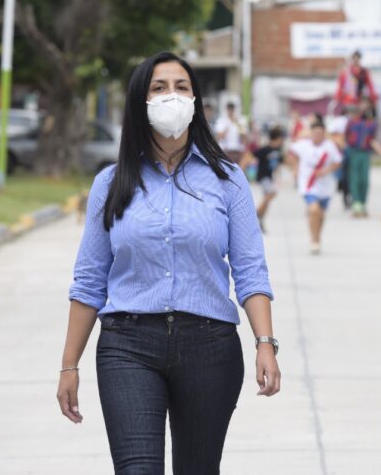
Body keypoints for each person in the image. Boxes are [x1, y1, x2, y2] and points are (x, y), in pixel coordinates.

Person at [57, 52, 281, 475]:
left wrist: (265, 343)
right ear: (140, 102)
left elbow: (251, 271)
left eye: (181, 87)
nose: (171, 96)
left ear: (195, 100)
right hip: (128, 344)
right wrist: (69, 365)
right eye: (159, 88)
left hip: (210, 346)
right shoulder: (110, 183)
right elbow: (88, 281)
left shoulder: (227, 179)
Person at [287, 115, 342, 255]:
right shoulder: (303, 145)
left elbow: (338, 161)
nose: (317, 135)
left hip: (325, 187)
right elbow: (290, 153)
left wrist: (326, 170)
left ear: (324, 133)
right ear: (311, 133)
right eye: (315, 133)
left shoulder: (329, 146)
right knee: (313, 210)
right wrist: (295, 168)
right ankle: (314, 240)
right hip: (308, 185)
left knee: (321, 215)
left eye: (320, 133)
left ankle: (317, 238)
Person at [344, 97, 381, 218]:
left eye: (366, 104)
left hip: (366, 153)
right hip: (354, 152)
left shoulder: (372, 123)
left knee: (364, 179)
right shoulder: (352, 121)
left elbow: (374, 139)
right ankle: (356, 203)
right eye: (362, 104)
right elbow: (346, 136)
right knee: (354, 178)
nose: (364, 107)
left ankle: (362, 203)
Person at [243, 125, 284, 233]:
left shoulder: (278, 151)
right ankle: (256, 215)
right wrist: (244, 166)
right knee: (271, 193)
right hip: (262, 176)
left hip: (269, 178)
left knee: (268, 198)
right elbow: (250, 155)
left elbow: (279, 164)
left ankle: (260, 217)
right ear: (278, 138)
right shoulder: (265, 149)